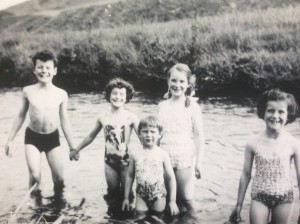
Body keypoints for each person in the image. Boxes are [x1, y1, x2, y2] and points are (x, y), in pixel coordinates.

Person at [5, 50, 76, 206]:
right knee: (36, 175)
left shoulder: (61, 94)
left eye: (48, 67)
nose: (44, 71)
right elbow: (20, 116)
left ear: (55, 71)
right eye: (40, 67)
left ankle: (58, 207)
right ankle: (36, 207)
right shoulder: (27, 91)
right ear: (34, 69)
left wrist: (73, 147)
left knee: (59, 179)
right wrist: (9, 140)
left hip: (52, 138)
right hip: (33, 138)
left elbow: (65, 120)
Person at [229, 89, 300, 224]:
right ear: (263, 112)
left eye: (281, 112)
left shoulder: (294, 144)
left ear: (288, 115)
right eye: (270, 110)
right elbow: (245, 174)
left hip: (284, 198)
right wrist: (239, 204)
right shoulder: (253, 143)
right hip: (259, 197)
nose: (275, 115)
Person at [69, 77, 139, 215]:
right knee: (112, 193)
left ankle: (128, 217)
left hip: (126, 163)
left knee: (127, 194)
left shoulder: (131, 117)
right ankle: (112, 217)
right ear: (108, 95)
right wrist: (76, 149)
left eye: (121, 94)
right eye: (114, 93)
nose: (118, 97)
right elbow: (90, 136)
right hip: (109, 162)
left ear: (127, 97)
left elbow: (144, 138)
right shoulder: (103, 117)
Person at [157, 63, 205, 214]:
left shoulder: (192, 107)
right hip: (165, 154)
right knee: (168, 198)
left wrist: (199, 162)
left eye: (182, 81)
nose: (177, 85)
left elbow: (199, 136)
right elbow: (157, 134)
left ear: (188, 84)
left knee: (186, 198)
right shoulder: (162, 105)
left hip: (184, 155)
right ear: (168, 81)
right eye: (174, 80)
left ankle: (197, 220)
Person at [122, 115, 179, 220]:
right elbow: (130, 175)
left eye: (152, 132)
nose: (148, 135)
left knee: (157, 218)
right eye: (145, 131)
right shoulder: (134, 154)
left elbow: (171, 178)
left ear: (160, 135)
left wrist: (172, 201)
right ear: (139, 134)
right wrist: (126, 198)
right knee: (140, 217)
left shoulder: (163, 154)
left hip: (159, 196)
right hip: (141, 196)